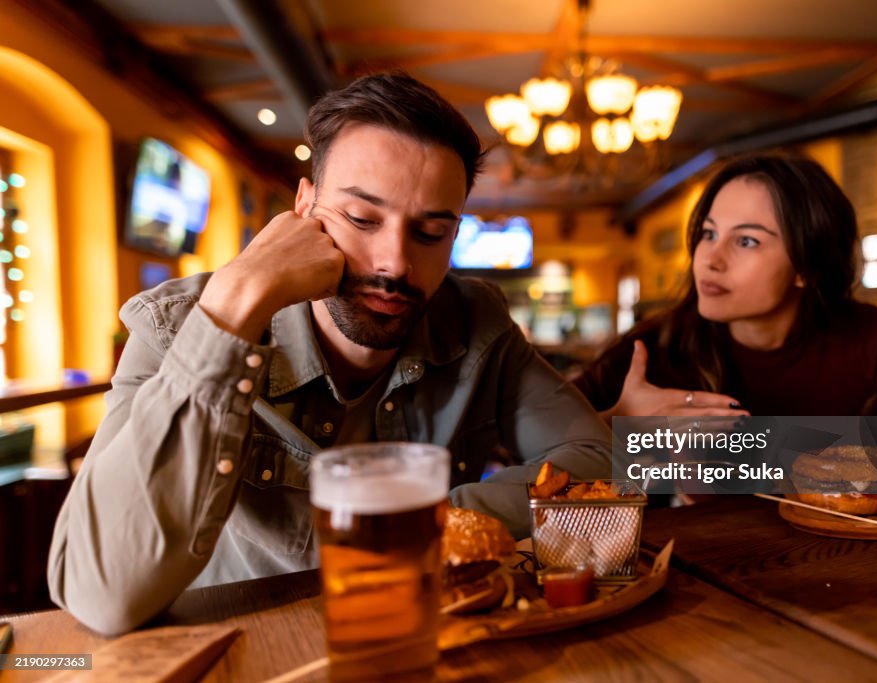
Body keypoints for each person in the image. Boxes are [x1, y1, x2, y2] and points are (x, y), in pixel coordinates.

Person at [48, 72, 611, 635]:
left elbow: (599, 457)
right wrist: (234, 309)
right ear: (304, 206)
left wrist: (428, 525)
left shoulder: (475, 320)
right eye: (362, 219)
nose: (393, 262)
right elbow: (100, 597)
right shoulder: (173, 326)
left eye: (431, 232)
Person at [574, 154, 877, 418]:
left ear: (807, 265)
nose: (711, 259)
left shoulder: (867, 336)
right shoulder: (655, 348)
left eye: (747, 240)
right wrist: (616, 424)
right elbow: (520, 454)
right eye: (708, 233)